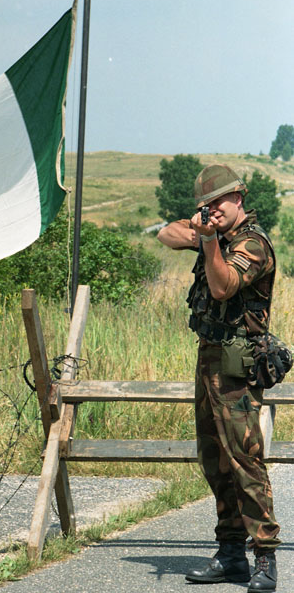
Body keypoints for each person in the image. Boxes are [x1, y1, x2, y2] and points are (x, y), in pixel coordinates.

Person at [157, 164, 280, 592]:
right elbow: (165, 233)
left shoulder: (253, 245)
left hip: (237, 364)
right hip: (208, 358)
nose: (212, 211)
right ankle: (230, 555)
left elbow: (223, 286)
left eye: (218, 203)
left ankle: (264, 557)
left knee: (244, 460)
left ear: (239, 198)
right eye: (205, 206)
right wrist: (202, 235)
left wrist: (208, 240)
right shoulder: (216, 236)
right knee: (215, 461)